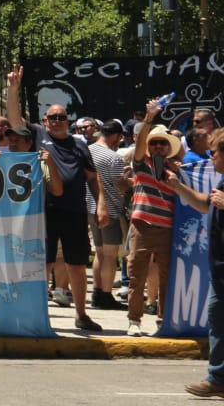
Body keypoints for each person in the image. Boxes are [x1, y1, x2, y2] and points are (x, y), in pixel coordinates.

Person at [6, 65, 106, 332]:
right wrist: (13, 89)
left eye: (61, 117)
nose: (57, 120)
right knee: (44, 262)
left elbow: (92, 177)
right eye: (52, 117)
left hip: (74, 211)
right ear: (45, 120)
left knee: (76, 264)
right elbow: (14, 120)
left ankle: (81, 314)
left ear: (68, 120)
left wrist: (100, 205)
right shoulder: (38, 136)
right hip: (45, 211)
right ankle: (39, 315)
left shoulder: (80, 144)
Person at [163, 130, 224, 397]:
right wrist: (177, 185)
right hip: (219, 269)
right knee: (217, 318)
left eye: (214, 152)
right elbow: (203, 204)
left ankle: (217, 378)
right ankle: (218, 379)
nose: (210, 157)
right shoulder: (222, 182)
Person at [125, 97, 180, 336]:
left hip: (168, 228)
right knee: (136, 275)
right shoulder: (141, 163)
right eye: (154, 143)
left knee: (168, 278)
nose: (158, 147)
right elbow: (139, 144)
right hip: (142, 225)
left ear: (168, 147)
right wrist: (149, 117)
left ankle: (163, 321)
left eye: (162, 144)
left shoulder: (175, 170)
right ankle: (134, 321)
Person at [87, 119, 130, 312]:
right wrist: (131, 180)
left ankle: (96, 292)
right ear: (115, 135)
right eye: (120, 138)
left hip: (90, 207)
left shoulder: (87, 151)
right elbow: (119, 185)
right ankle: (105, 295)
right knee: (111, 256)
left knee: (99, 252)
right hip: (110, 210)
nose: (119, 142)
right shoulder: (113, 158)